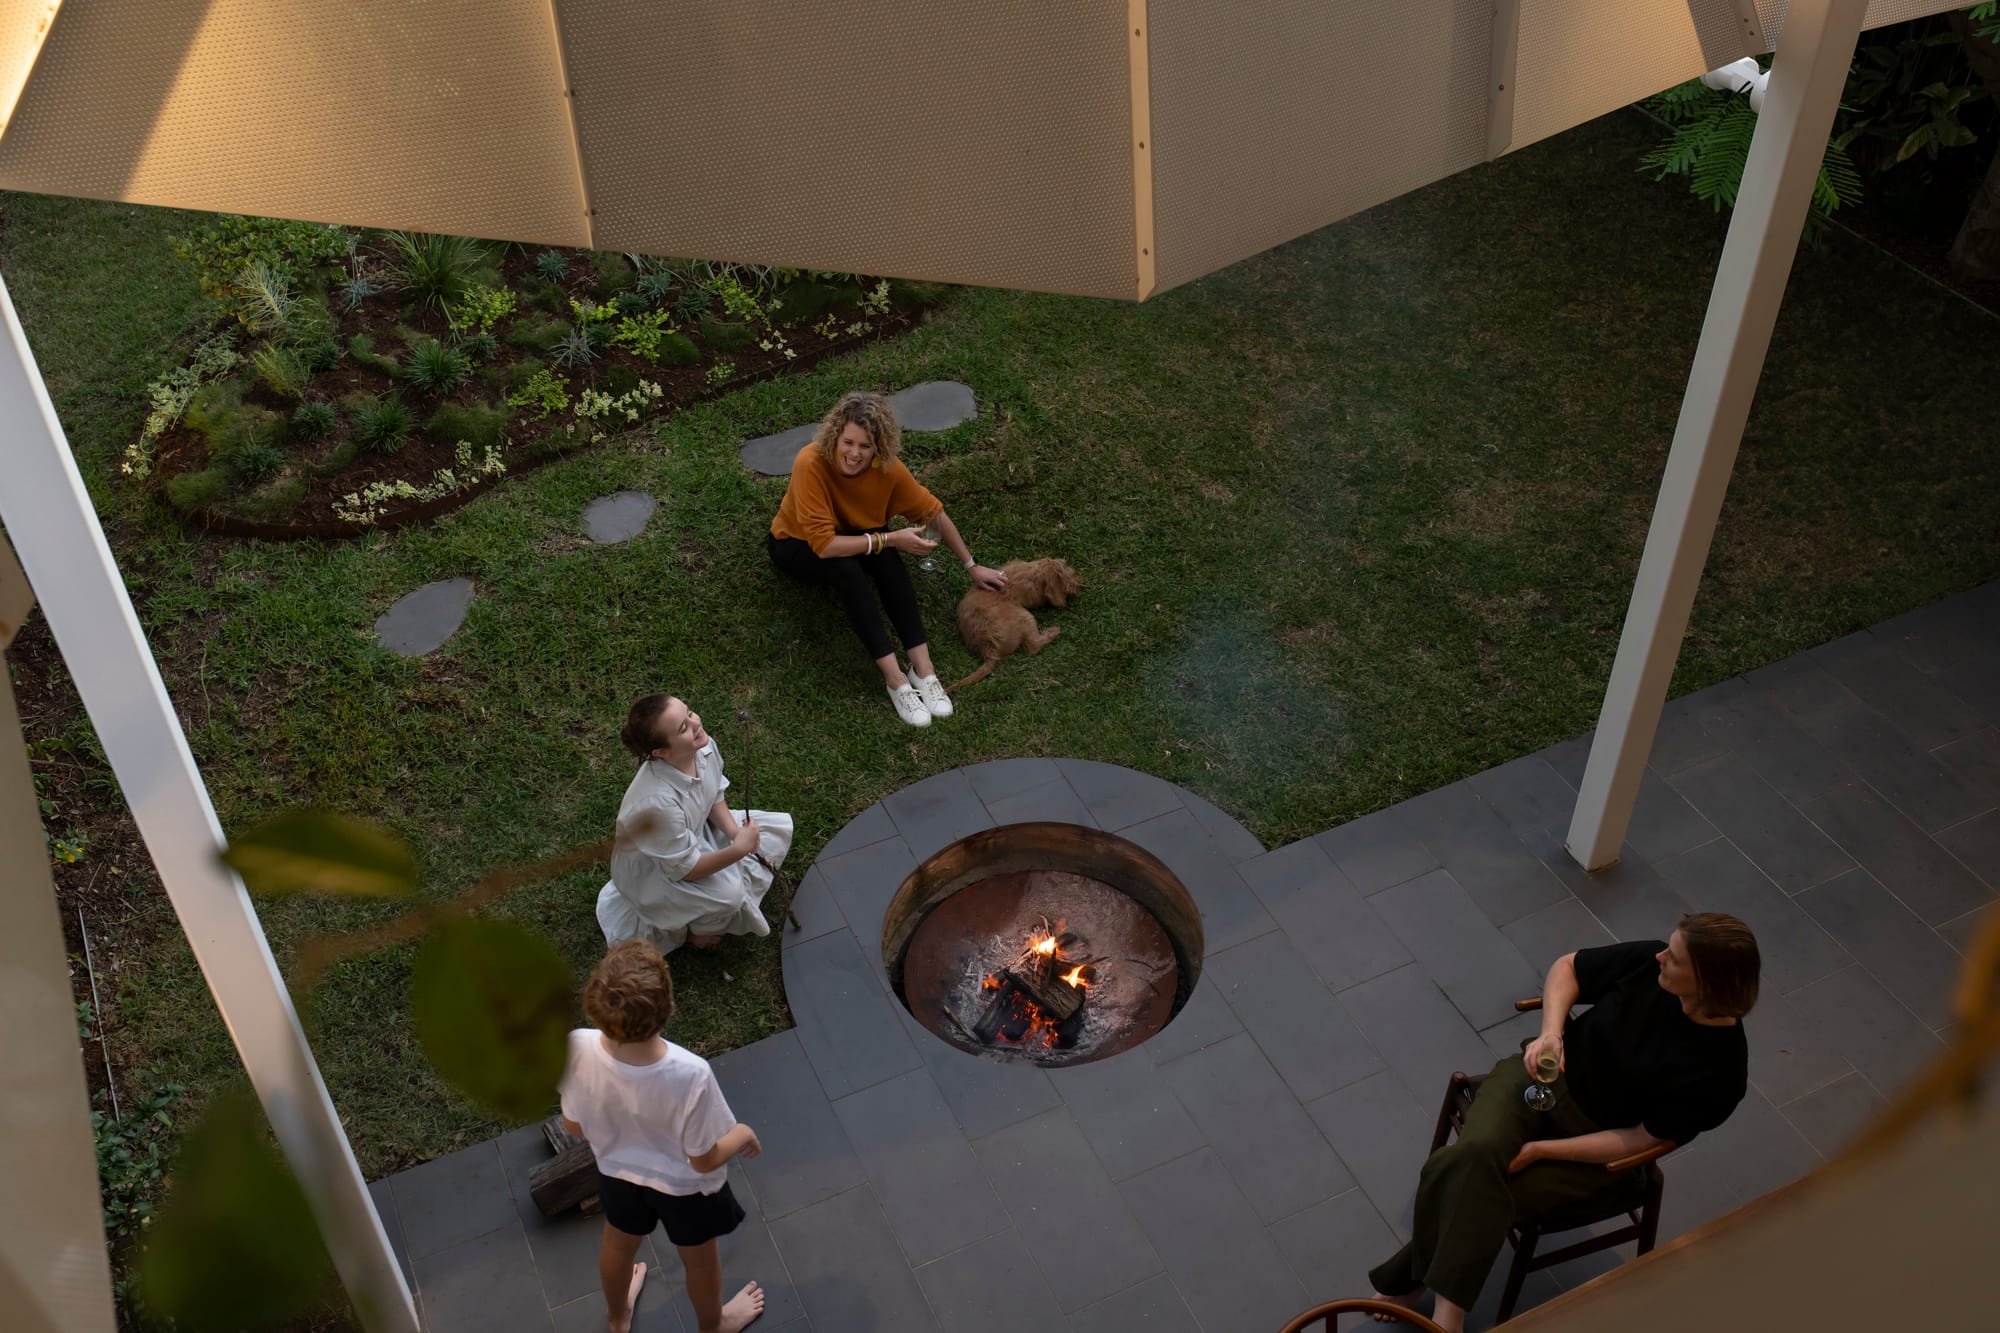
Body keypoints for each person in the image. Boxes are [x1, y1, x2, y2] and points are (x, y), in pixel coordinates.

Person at [1369, 913, 1760, 1331]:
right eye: (1668, 948)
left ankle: (1412, 1285)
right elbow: (1569, 967)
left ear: (1708, 982)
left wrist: (1541, 1151)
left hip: (1597, 1145)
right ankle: (1450, 1316)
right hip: (1545, 1081)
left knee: (1472, 1179)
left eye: (1675, 958)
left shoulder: (1721, 1073)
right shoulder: (1649, 963)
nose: (1661, 957)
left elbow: (1642, 1139)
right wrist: (1551, 1034)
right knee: (1475, 1155)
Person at [767, 390, 1009, 728]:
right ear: (835, 435)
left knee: (887, 559)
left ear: (878, 448)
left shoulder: (887, 470)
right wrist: (890, 538)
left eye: (865, 446)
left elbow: (933, 512)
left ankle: (923, 670)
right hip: (798, 544)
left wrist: (971, 565)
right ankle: (895, 680)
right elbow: (823, 546)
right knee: (848, 568)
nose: (854, 453)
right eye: (848, 442)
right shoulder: (810, 462)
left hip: (857, 536)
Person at [560, 940, 766, 1333]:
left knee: (617, 1247)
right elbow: (702, 1158)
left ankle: (617, 1318)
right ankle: (714, 1325)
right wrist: (742, 1134)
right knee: (700, 1261)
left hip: (618, 1177)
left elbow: (573, 1126)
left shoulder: (574, 1046)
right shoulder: (690, 1074)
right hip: (686, 1191)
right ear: (668, 1007)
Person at [595, 694, 793, 954]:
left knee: (777, 828)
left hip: (692, 833)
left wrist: (734, 832)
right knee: (730, 896)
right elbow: (686, 870)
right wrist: (737, 850)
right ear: (660, 752)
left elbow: (712, 794)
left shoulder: (703, 747)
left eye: (689, 714)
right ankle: (696, 932)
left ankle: (710, 905)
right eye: (683, 728)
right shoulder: (658, 805)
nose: (695, 724)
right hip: (660, 871)